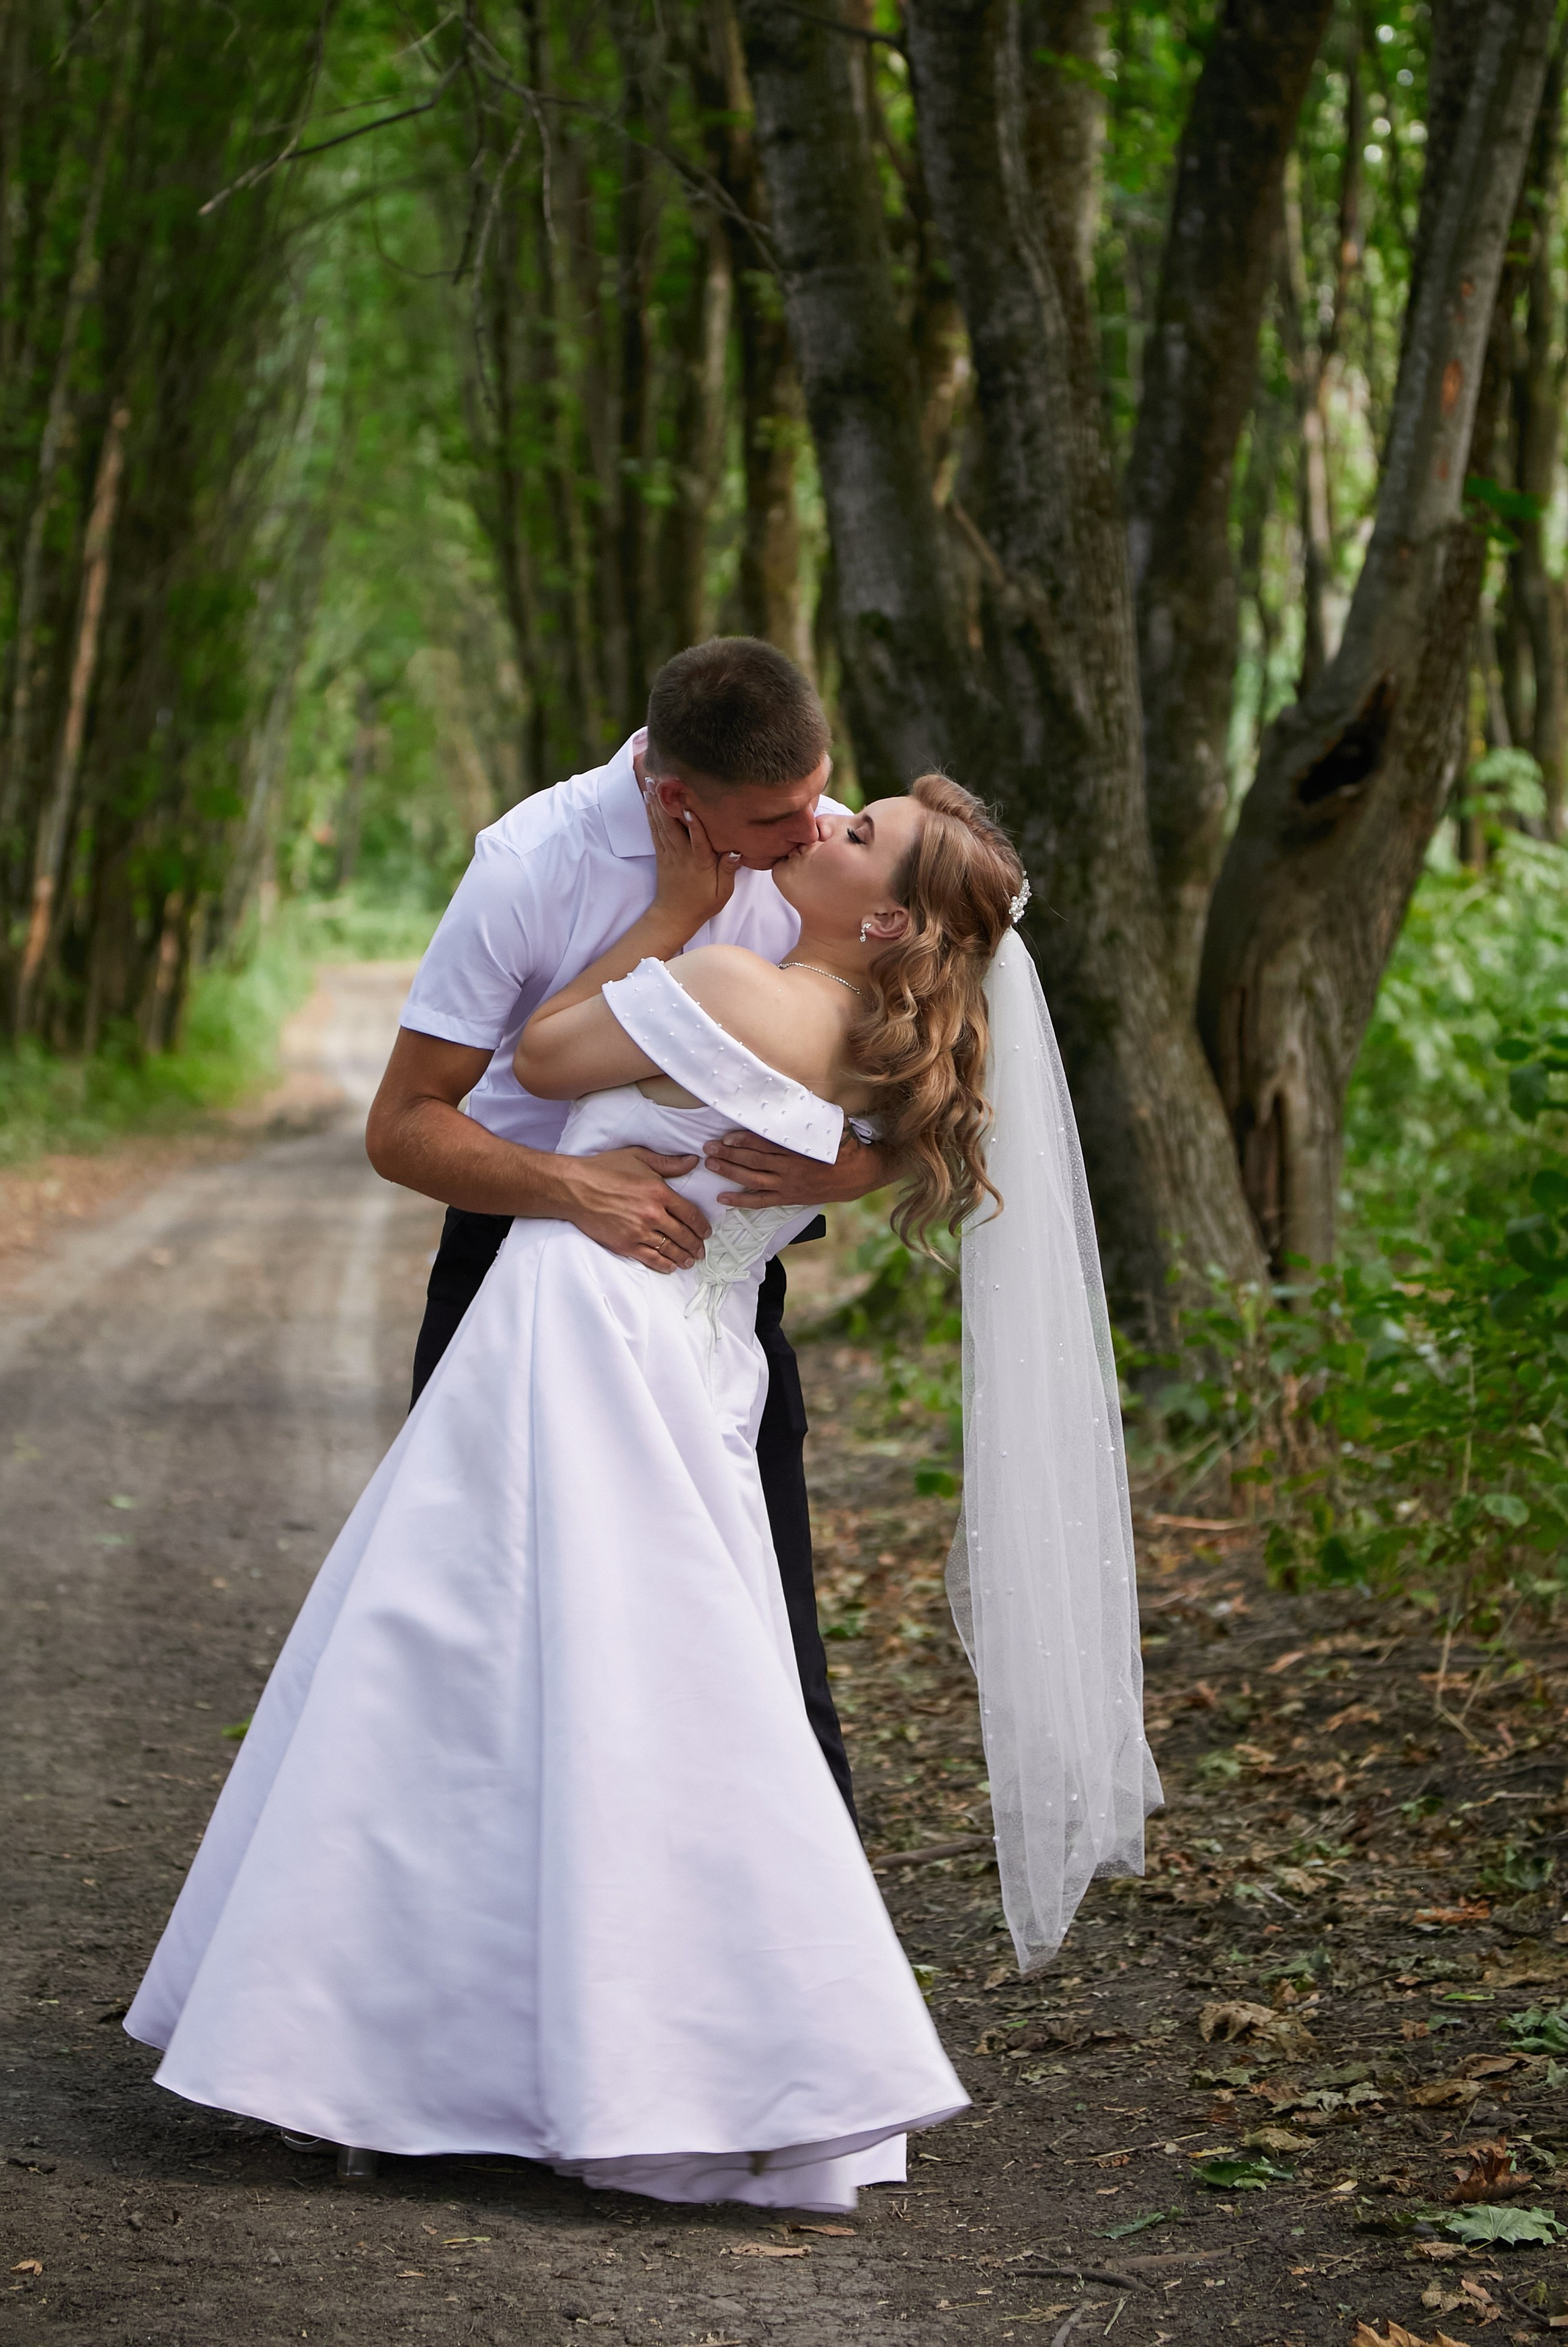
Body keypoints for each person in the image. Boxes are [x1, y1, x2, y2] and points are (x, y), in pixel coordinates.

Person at [129, 763, 1160, 2213]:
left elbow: (545, 1057)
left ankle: (403, 2048)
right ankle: (662, 2054)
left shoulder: (738, 981)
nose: (826, 824)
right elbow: (900, 1146)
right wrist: (848, 1165)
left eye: (858, 836)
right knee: (659, 1698)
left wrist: (671, 914)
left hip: (585, 1331)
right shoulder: (885, 1040)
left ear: (884, 925)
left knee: (468, 1676)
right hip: (700, 1359)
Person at [362, 638, 890, 1821]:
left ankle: (804, 1958)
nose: (812, 832)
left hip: (721, 1296)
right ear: (674, 801)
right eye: (777, 818)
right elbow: (401, 1129)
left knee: (760, 1629)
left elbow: (944, 1076)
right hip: (521, 1280)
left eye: (820, 797)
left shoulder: (836, 854)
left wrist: (856, 1169)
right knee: (487, 1627)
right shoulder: (528, 867)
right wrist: (567, 1187)